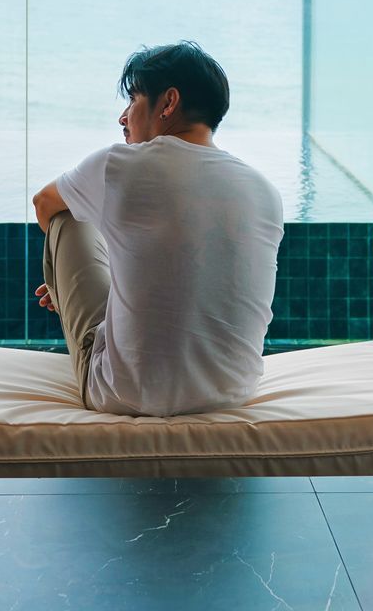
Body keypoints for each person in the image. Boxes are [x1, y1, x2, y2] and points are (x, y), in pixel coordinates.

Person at [30, 41, 284, 416]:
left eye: (132, 100)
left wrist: (64, 288)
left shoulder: (118, 165)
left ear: (167, 103)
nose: (123, 118)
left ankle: (67, 299)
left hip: (126, 394)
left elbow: (43, 204)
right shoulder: (264, 190)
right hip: (232, 391)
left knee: (67, 215)